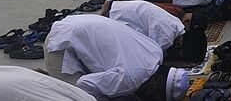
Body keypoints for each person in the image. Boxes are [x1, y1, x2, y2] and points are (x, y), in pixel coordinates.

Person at [44, 13, 190, 99]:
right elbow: (83, 84)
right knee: (75, 96)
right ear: (152, 88)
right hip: (61, 40)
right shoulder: (129, 80)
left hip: (81, 22)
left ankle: (47, 75)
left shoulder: (156, 53)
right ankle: (42, 78)